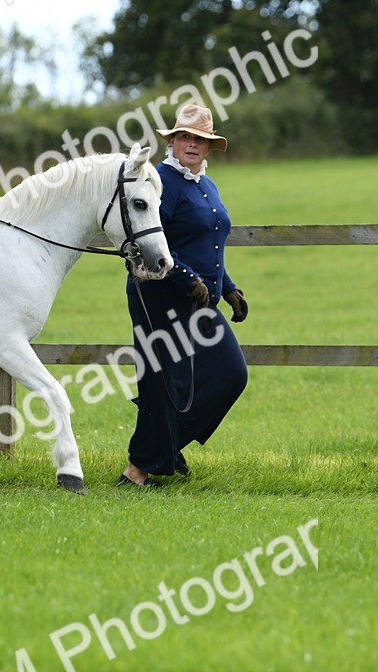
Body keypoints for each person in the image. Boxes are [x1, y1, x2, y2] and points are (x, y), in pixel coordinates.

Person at [119, 103, 249, 487]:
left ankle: (168, 447)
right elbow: (151, 243)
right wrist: (184, 277)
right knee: (163, 384)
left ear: (210, 147)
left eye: (200, 139)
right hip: (159, 295)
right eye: (185, 137)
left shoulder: (207, 185)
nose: (192, 145)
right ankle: (138, 471)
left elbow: (209, 245)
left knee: (231, 374)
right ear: (173, 142)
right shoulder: (159, 181)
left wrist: (228, 287)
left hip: (199, 300)